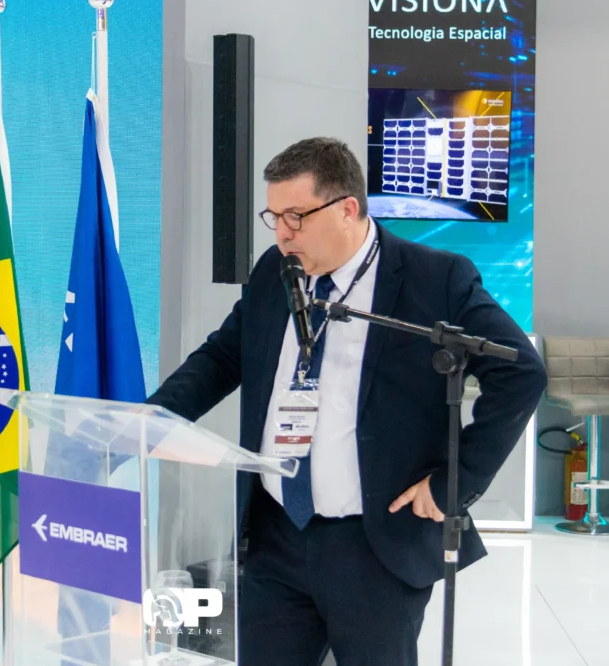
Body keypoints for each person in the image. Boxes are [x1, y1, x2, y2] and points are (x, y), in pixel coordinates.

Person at [146, 137, 547, 666]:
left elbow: (520, 372)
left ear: (347, 208)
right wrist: (152, 418)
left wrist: (457, 481)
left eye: (296, 216)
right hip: (275, 536)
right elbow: (224, 356)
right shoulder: (275, 270)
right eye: (274, 217)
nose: (282, 233)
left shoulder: (434, 279)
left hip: (376, 546)